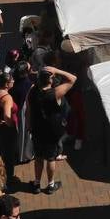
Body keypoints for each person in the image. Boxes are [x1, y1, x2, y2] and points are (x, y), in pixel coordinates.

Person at [31, 65, 77, 195]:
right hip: (51, 132)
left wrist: (29, 126)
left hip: (37, 129)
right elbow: (73, 79)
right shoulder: (54, 94)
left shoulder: (33, 91)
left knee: (38, 157)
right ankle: (51, 184)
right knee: (50, 158)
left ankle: (36, 183)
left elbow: (28, 110)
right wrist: (57, 70)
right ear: (50, 80)